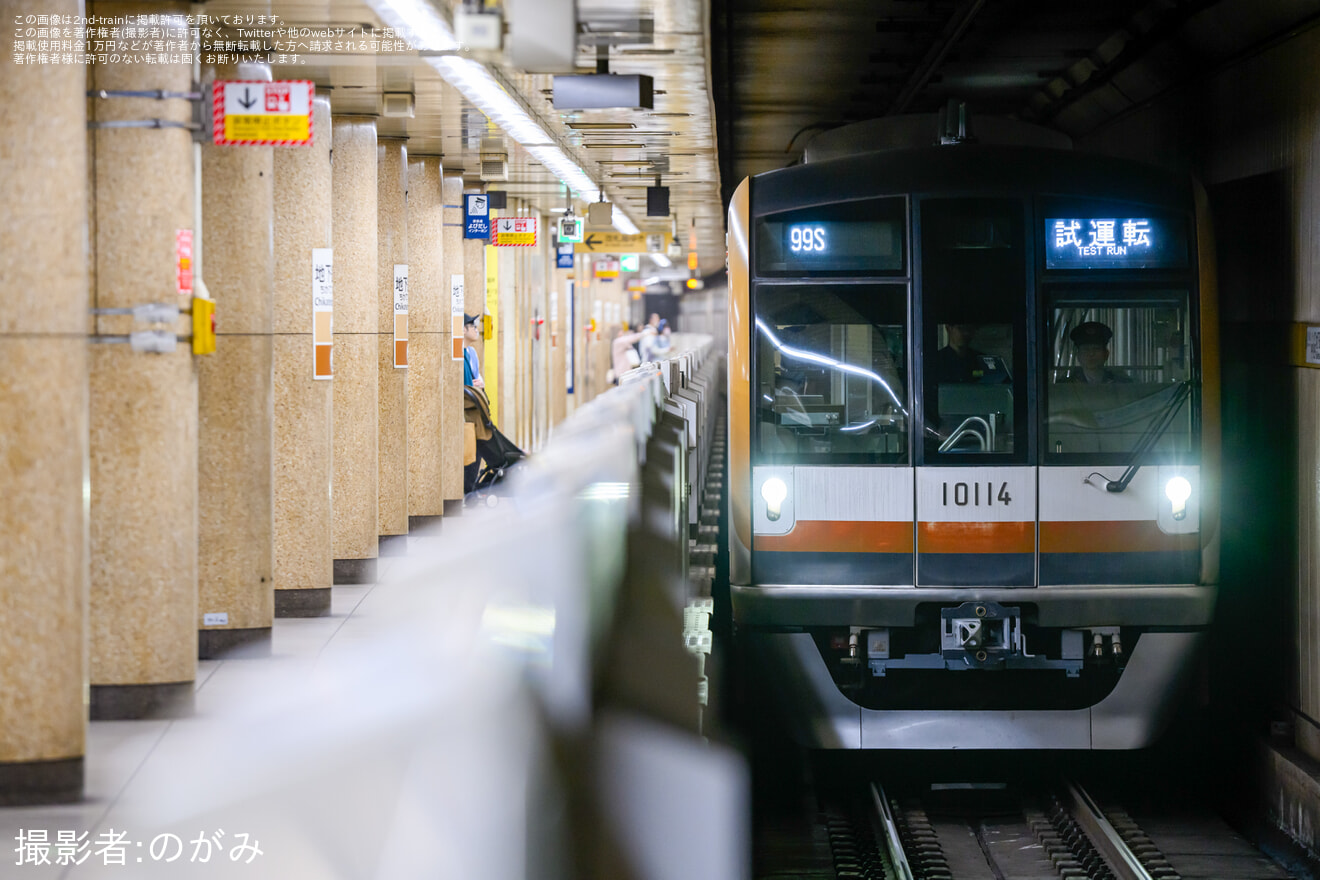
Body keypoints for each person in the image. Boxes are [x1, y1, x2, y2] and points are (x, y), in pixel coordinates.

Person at [1063, 321, 1131, 384]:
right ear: (1078, 356)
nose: (1091, 354)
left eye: (1096, 349)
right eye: (1086, 350)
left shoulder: (1121, 384)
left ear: (1106, 354)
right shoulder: (1067, 385)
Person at [463, 313, 484, 389]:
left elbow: (477, 376)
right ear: (464, 329)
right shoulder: (457, 354)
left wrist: (480, 384)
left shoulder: (471, 352)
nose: (476, 331)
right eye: (473, 327)